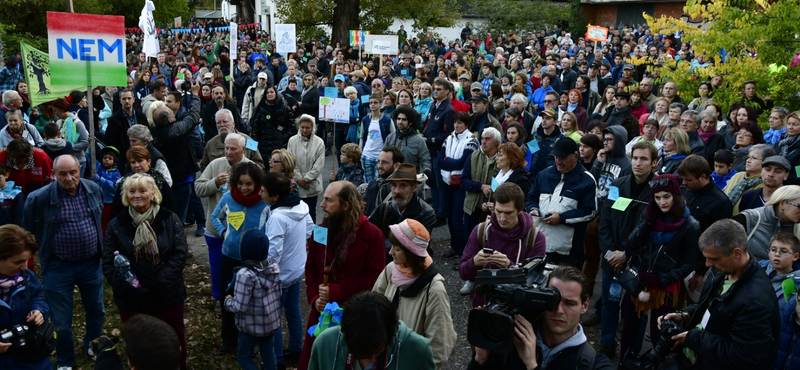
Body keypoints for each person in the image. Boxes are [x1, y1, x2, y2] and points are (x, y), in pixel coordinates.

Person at [658, 219, 780, 370]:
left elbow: (746, 356)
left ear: (736, 253)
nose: (708, 264)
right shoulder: (723, 270)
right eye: (706, 258)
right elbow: (715, 309)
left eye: (714, 259)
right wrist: (685, 315)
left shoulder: (755, 301)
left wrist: (694, 338)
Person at [22, 155, 105, 370]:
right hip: (59, 267)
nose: (69, 178)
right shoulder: (38, 198)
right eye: (63, 174)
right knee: (61, 320)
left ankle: (93, 347)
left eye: (73, 172)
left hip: (91, 264)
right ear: (54, 174)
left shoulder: (93, 189)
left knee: (97, 310)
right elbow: (28, 233)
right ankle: (65, 360)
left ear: (80, 170)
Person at [102, 174, 188, 369]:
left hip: (167, 294)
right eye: (132, 191)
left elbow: (180, 253)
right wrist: (127, 286)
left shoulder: (169, 218)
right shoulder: (117, 224)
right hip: (132, 297)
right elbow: (108, 261)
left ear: (153, 193)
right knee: (138, 341)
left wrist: (159, 282)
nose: (137, 195)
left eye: (142, 190)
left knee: (174, 337)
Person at [298, 181, 385, 370]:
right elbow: (311, 269)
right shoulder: (320, 231)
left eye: (329, 200)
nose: (322, 205)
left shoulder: (373, 235)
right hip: (321, 316)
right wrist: (314, 299)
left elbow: (374, 280)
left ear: (346, 205)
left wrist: (336, 292)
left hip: (356, 317)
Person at [616, 174, 700, 363]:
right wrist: (647, 223)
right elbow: (630, 244)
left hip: (666, 287)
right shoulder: (648, 215)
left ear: (676, 196)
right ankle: (625, 363)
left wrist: (661, 278)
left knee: (659, 333)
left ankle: (657, 365)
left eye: (666, 197)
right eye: (657, 197)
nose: (661, 202)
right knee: (629, 326)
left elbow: (690, 263)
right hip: (639, 281)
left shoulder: (691, 225)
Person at [469, 265, 613, 370]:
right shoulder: (512, 339)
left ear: (585, 305)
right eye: (553, 300)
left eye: (570, 303)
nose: (559, 310)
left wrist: (531, 365)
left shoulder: (595, 365)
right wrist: (480, 360)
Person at [372, 219, 456, 369]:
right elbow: (372, 309)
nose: (390, 252)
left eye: (397, 249)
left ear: (411, 252)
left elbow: (439, 346)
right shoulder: (391, 269)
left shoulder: (434, 289)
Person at [211, 161, 268, 354]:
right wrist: (224, 233)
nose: (244, 188)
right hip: (230, 257)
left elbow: (270, 226)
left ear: (257, 184)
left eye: (249, 184)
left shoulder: (264, 202)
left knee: (251, 302)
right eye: (241, 183)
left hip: (253, 262)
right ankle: (228, 340)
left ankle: (250, 343)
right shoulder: (228, 197)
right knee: (227, 298)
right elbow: (214, 217)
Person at [196, 133, 256, 315]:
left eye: (233, 149)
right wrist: (214, 182)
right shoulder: (215, 165)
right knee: (217, 267)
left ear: (243, 150)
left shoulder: (252, 168)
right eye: (226, 148)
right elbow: (198, 188)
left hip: (242, 234)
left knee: (243, 268)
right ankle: (219, 298)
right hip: (216, 231)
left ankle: (244, 299)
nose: (228, 152)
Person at [260, 172, 314, 368]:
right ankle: (297, 348)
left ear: (275, 197)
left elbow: (273, 253)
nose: (260, 193)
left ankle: (277, 361)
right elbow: (310, 231)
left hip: (279, 277)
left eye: (263, 191)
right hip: (297, 271)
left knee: (273, 320)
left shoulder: (277, 217)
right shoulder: (302, 206)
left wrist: (261, 272)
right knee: (293, 311)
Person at [460, 182, 547, 303]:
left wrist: (510, 267)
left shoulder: (535, 237)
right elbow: (463, 273)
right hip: (482, 304)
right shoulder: (481, 230)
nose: (502, 218)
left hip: (518, 308)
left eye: (508, 213)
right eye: (498, 211)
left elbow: (534, 283)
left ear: (520, 209)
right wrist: (474, 262)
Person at [308, 291, 435, 370]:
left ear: (392, 333)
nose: (370, 361)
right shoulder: (325, 344)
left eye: (377, 352)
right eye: (361, 355)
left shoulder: (417, 350)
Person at [527, 138, 597, 268]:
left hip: (568, 251)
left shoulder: (587, 181)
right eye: (556, 157)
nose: (558, 161)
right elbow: (531, 198)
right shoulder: (543, 175)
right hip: (540, 246)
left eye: (563, 158)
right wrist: (533, 209)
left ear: (575, 156)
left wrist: (562, 218)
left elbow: (590, 212)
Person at [223, 228, 281, 370]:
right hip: (270, 324)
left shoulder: (245, 274)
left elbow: (240, 307)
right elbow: (278, 294)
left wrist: (227, 301)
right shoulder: (274, 267)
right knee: (269, 356)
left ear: (245, 249)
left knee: (244, 357)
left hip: (250, 327)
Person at [0, 224, 52, 370]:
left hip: (30, 357)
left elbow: (37, 297)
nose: (24, 267)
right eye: (18, 262)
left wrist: (39, 310)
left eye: (26, 260)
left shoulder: (27, 278)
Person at [369, 163, 437, 258]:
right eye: (394, 185)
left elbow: (411, 247)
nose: (397, 191)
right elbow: (369, 234)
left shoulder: (425, 213)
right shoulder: (384, 208)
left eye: (403, 186)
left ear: (414, 187)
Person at [733, 185, 800, 262]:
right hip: (744, 272)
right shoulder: (748, 218)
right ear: (782, 204)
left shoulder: (797, 228)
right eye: (799, 206)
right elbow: (723, 250)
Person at [110, 146, 176, 219]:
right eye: (133, 162)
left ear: (149, 161)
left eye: (140, 161)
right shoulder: (126, 180)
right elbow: (117, 206)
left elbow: (170, 203)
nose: (137, 165)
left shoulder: (158, 178)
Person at [287, 114, 325, 223]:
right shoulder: (292, 141)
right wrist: (299, 179)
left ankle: (310, 238)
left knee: (311, 213)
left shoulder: (319, 142)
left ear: (313, 128)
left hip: (312, 185)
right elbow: (291, 162)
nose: (304, 130)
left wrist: (307, 179)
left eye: (307, 127)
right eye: (302, 127)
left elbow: (319, 165)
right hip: (296, 184)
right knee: (295, 213)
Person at [199, 109, 264, 171]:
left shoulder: (249, 141)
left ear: (233, 123)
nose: (222, 125)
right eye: (218, 123)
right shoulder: (210, 144)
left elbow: (259, 163)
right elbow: (204, 166)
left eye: (225, 122)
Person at [383, 106, 433, 181]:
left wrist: (427, 172)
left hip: (410, 180)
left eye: (404, 120)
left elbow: (425, 159)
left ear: (410, 122)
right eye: (399, 119)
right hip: (392, 179)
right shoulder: (390, 138)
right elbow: (384, 157)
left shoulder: (418, 140)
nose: (400, 122)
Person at [724, 144, 775, 213]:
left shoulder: (766, 184)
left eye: (754, 158)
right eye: (748, 157)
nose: (748, 160)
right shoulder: (738, 176)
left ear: (766, 162)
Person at [106, 89, 147, 171]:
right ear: (120, 100)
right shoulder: (114, 119)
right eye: (124, 99)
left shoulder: (141, 116)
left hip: (142, 154)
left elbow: (147, 133)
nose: (127, 101)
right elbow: (110, 140)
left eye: (129, 98)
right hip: (124, 159)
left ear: (134, 99)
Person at [251, 86, 292, 160]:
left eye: (272, 92)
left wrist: (284, 137)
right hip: (263, 144)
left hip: (280, 144)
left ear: (276, 93)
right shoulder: (258, 109)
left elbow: (291, 126)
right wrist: (254, 147)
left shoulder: (285, 108)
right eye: (267, 93)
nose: (269, 94)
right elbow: (254, 128)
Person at [51, 98, 90, 174]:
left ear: (62, 109)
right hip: (63, 161)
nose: (54, 113)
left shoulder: (77, 123)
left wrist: (68, 147)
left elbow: (85, 143)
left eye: (55, 110)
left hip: (78, 160)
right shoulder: (58, 123)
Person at [776, 111, 800, 185]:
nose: (790, 127)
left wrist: (778, 178)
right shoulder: (780, 143)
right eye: (789, 124)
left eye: (795, 125)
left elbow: (798, 175)